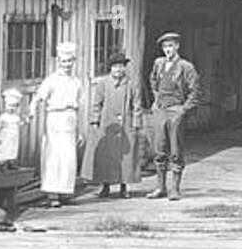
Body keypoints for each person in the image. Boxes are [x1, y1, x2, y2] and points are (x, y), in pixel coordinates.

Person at [83, 52, 144, 198]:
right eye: (115, 67)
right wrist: (95, 121)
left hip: (126, 124)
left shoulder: (131, 83)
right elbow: (97, 104)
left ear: (125, 68)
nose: (118, 70)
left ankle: (124, 186)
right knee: (107, 156)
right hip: (108, 124)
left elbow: (137, 104)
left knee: (126, 157)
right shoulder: (103, 83)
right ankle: (105, 186)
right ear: (110, 69)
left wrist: (136, 123)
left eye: (121, 67)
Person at [148, 32, 201, 200]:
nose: (168, 50)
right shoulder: (158, 63)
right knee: (159, 149)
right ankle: (160, 187)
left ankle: (175, 189)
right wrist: (156, 102)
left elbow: (195, 91)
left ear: (177, 47)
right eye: (165, 47)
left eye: (170, 46)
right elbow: (153, 82)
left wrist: (183, 110)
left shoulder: (186, 67)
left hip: (176, 110)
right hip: (160, 110)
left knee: (176, 150)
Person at [32, 42, 84, 207]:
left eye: (69, 61)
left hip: (70, 118)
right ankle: (52, 194)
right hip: (55, 118)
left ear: (73, 61)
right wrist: (32, 109)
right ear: (58, 62)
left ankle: (66, 192)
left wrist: (79, 129)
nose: (66, 65)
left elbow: (79, 106)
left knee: (68, 157)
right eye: (63, 61)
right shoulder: (51, 80)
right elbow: (39, 97)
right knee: (54, 156)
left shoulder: (76, 82)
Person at [0, 88, 24, 170]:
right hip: (5, 135)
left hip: (14, 136)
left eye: (14, 106)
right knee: (4, 148)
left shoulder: (16, 117)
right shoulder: (3, 117)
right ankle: (2, 163)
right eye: (10, 106)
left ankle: (11, 162)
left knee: (12, 149)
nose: (12, 108)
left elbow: (19, 124)